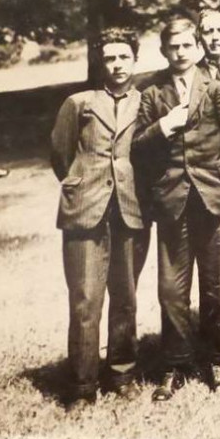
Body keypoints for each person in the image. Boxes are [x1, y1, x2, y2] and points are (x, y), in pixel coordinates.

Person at [134, 16, 220, 400]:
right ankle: (176, 364)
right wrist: (164, 125)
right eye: (173, 47)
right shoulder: (151, 93)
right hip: (172, 202)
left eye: (186, 46)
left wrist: (216, 176)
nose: (180, 53)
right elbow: (138, 146)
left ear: (197, 48)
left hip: (213, 199)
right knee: (171, 290)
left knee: (217, 287)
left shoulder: (215, 89)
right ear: (164, 50)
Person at [49, 28, 150, 405]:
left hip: (130, 209)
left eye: (124, 56)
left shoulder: (146, 101)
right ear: (100, 62)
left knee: (125, 296)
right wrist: (84, 185)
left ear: (135, 59)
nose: (118, 64)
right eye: (110, 57)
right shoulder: (79, 103)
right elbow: (60, 154)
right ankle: (82, 385)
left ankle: (122, 374)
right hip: (85, 211)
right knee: (86, 298)